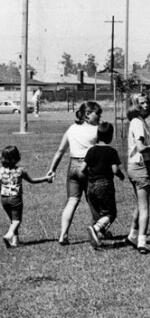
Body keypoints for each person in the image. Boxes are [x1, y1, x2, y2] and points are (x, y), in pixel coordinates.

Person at [47, 101, 102, 245]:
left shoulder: (71, 129)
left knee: (72, 201)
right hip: (89, 167)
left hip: (73, 167)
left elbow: (60, 151)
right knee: (94, 200)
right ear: (88, 114)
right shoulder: (96, 130)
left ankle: (63, 235)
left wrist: (52, 169)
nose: (100, 117)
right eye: (98, 113)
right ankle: (98, 230)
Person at [125, 92, 150, 254]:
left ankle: (132, 236)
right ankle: (142, 241)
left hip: (135, 166)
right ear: (134, 105)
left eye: (147, 102)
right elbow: (141, 148)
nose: (146, 105)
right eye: (141, 103)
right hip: (140, 166)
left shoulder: (138, 122)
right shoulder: (138, 123)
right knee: (144, 207)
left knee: (139, 204)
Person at [84, 123, 125, 248]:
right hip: (104, 185)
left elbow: (82, 168)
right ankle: (95, 228)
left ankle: (100, 234)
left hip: (90, 185)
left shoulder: (91, 150)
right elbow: (114, 170)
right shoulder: (111, 151)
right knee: (110, 213)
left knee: (98, 212)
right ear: (110, 136)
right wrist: (121, 175)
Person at [1, 146, 52, 247]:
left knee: (12, 219)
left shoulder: (1, 171)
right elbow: (32, 181)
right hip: (15, 198)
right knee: (17, 220)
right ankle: (9, 234)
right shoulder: (20, 171)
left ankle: (15, 241)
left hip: (4, 198)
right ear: (17, 157)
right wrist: (46, 179)